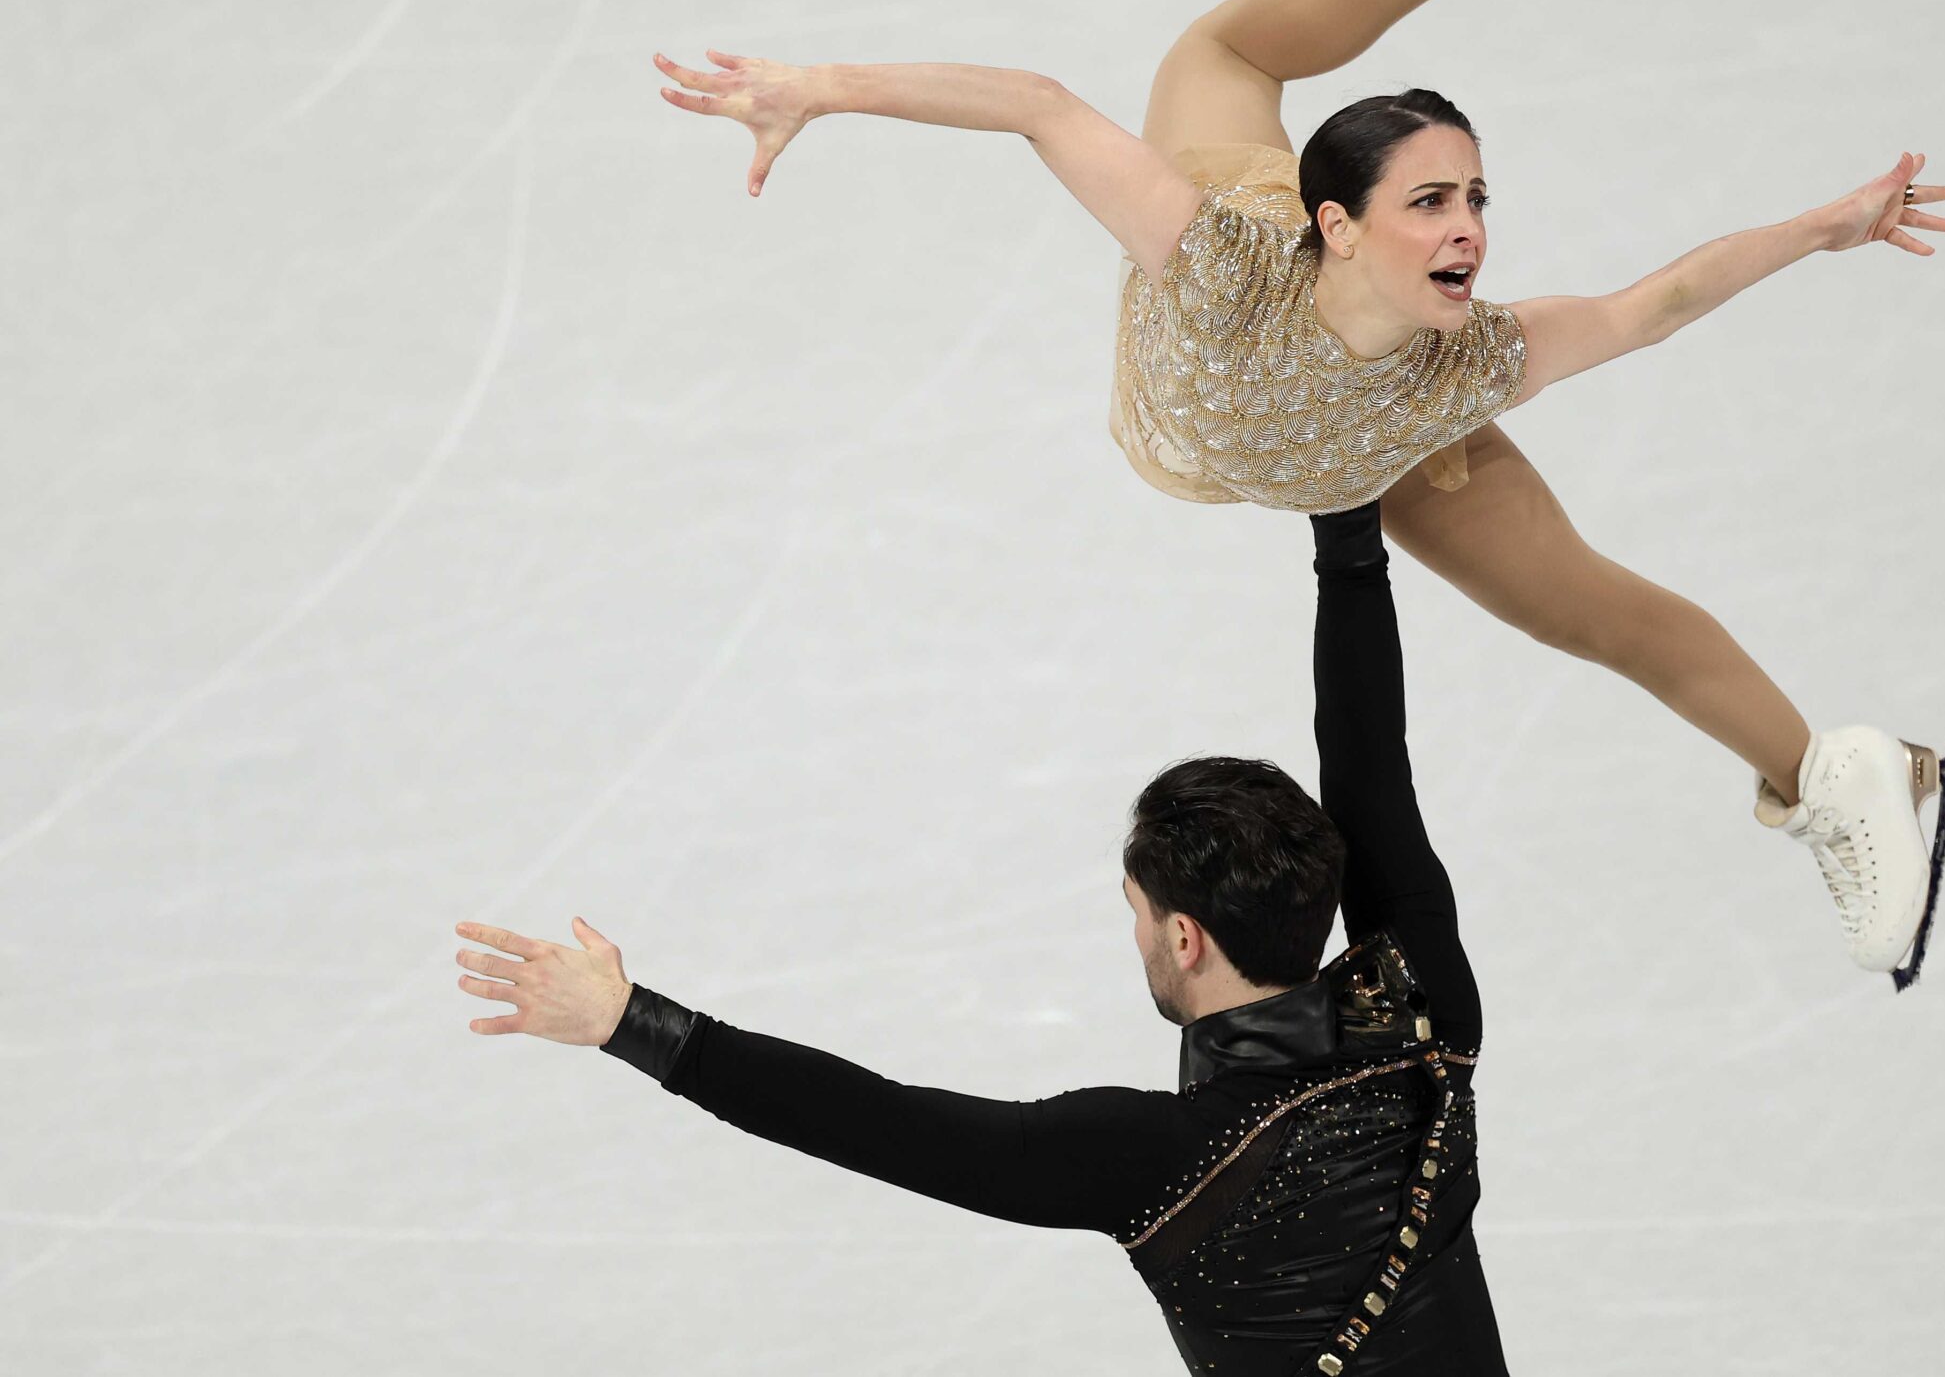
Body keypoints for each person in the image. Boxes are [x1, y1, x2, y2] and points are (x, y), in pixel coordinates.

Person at [647, 0, 1945, 982]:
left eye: (1477, 196)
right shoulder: (1221, 253)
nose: (1470, 228)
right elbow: (1038, 105)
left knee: (1590, 611)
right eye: (1432, 201)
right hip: (1246, 299)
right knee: (1220, 56)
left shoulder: (1462, 368)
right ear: (1337, 223)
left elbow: (1648, 307)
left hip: (1366, 449)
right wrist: (819, 82)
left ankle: (1839, 774)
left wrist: (1822, 229)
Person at [458, 504, 1507, 1373]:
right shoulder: (1421, 1008)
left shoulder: (1150, 1156)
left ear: (1184, 936)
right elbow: (1371, 765)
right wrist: (1344, 515)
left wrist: (624, 1019)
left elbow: (875, 1121)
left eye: (1136, 908)